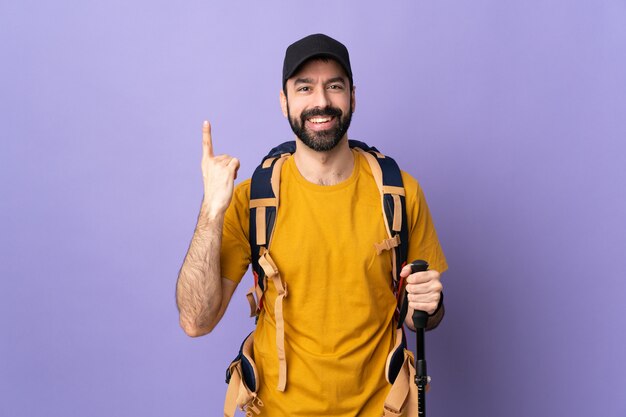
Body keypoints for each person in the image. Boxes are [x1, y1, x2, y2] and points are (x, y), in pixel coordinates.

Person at [176, 33, 447, 417]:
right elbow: (195, 321)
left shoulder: (400, 193)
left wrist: (431, 304)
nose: (320, 101)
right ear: (284, 101)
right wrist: (211, 210)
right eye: (305, 88)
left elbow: (423, 314)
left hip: (384, 409)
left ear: (353, 97)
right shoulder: (252, 199)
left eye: (334, 86)